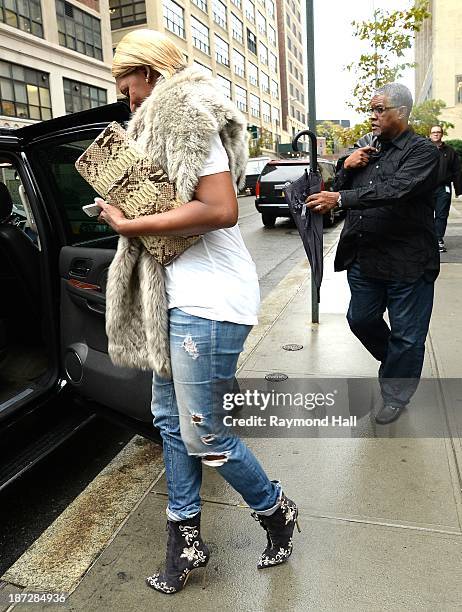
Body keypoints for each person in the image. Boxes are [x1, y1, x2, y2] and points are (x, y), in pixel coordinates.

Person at [96, 29, 299, 595]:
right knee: (170, 424)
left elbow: (220, 208)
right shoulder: (159, 122)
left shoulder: (185, 111)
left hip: (209, 299)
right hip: (177, 297)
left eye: (128, 84)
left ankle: (276, 510)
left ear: (152, 73)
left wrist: (130, 224)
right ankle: (184, 539)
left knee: (205, 434)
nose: (126, 96)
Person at [306, 83, 439, 425]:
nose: (373, 116)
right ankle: (398, 368)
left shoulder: (422, 152)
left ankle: (395, 393)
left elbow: (397, 190)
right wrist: (346, 167)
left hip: (408, 262)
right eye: (372, 110)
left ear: (402, 113)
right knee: (359, 320)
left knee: (408, 336)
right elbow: (335, 191)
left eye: (381, 110)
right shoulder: (364, 148)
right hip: (366, 258)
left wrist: (341, 199)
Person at [429, 125, 462, 253]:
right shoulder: (424, 149)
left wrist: (458, 189)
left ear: (442, 134)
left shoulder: (450, 151)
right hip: (426, 188)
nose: (436, 134)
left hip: (444, 188)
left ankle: (438, 240)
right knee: (425, 214)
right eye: (433, 132)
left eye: (438, 132)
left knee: (441, 215)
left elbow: (457, 171)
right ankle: (426, 240)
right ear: (430, 135)